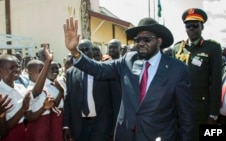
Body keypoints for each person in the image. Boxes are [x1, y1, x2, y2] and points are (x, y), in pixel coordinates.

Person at [63, 17, 194, 141]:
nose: (141, 43)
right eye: (138, 40)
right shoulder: (128, 60)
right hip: (126, 135)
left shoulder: (177, 70)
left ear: (159, 41)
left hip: (157, 136)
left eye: (147, 39)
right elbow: (99, 69)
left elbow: (186, 117)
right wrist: (75, 51)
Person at [172, 8, 222, 141]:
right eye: (188, 26)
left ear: (202, 27)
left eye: (195, 25)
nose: (191, 29)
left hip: (201, 110)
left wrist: (213, 115)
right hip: (179, 109)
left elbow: (216, 83)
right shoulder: (177, 48)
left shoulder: (212, 48)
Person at [63, 39, 114, 141]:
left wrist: (113, 124)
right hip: (80, 125)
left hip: (100, 124)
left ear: (92, 50)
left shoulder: (104, 69)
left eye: (87, 49)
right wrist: (66, 125)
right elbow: (68, 100)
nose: (84, 53)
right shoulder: (71, 73)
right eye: (81, 50)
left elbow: (113, 98)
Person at [0, 54, 31, 141]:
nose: (16, 70)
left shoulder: (21, 87)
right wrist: (23, 109)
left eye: (17, 67)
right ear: (0, 71)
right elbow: (3, 131)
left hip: (23, 130)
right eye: (11, 68)